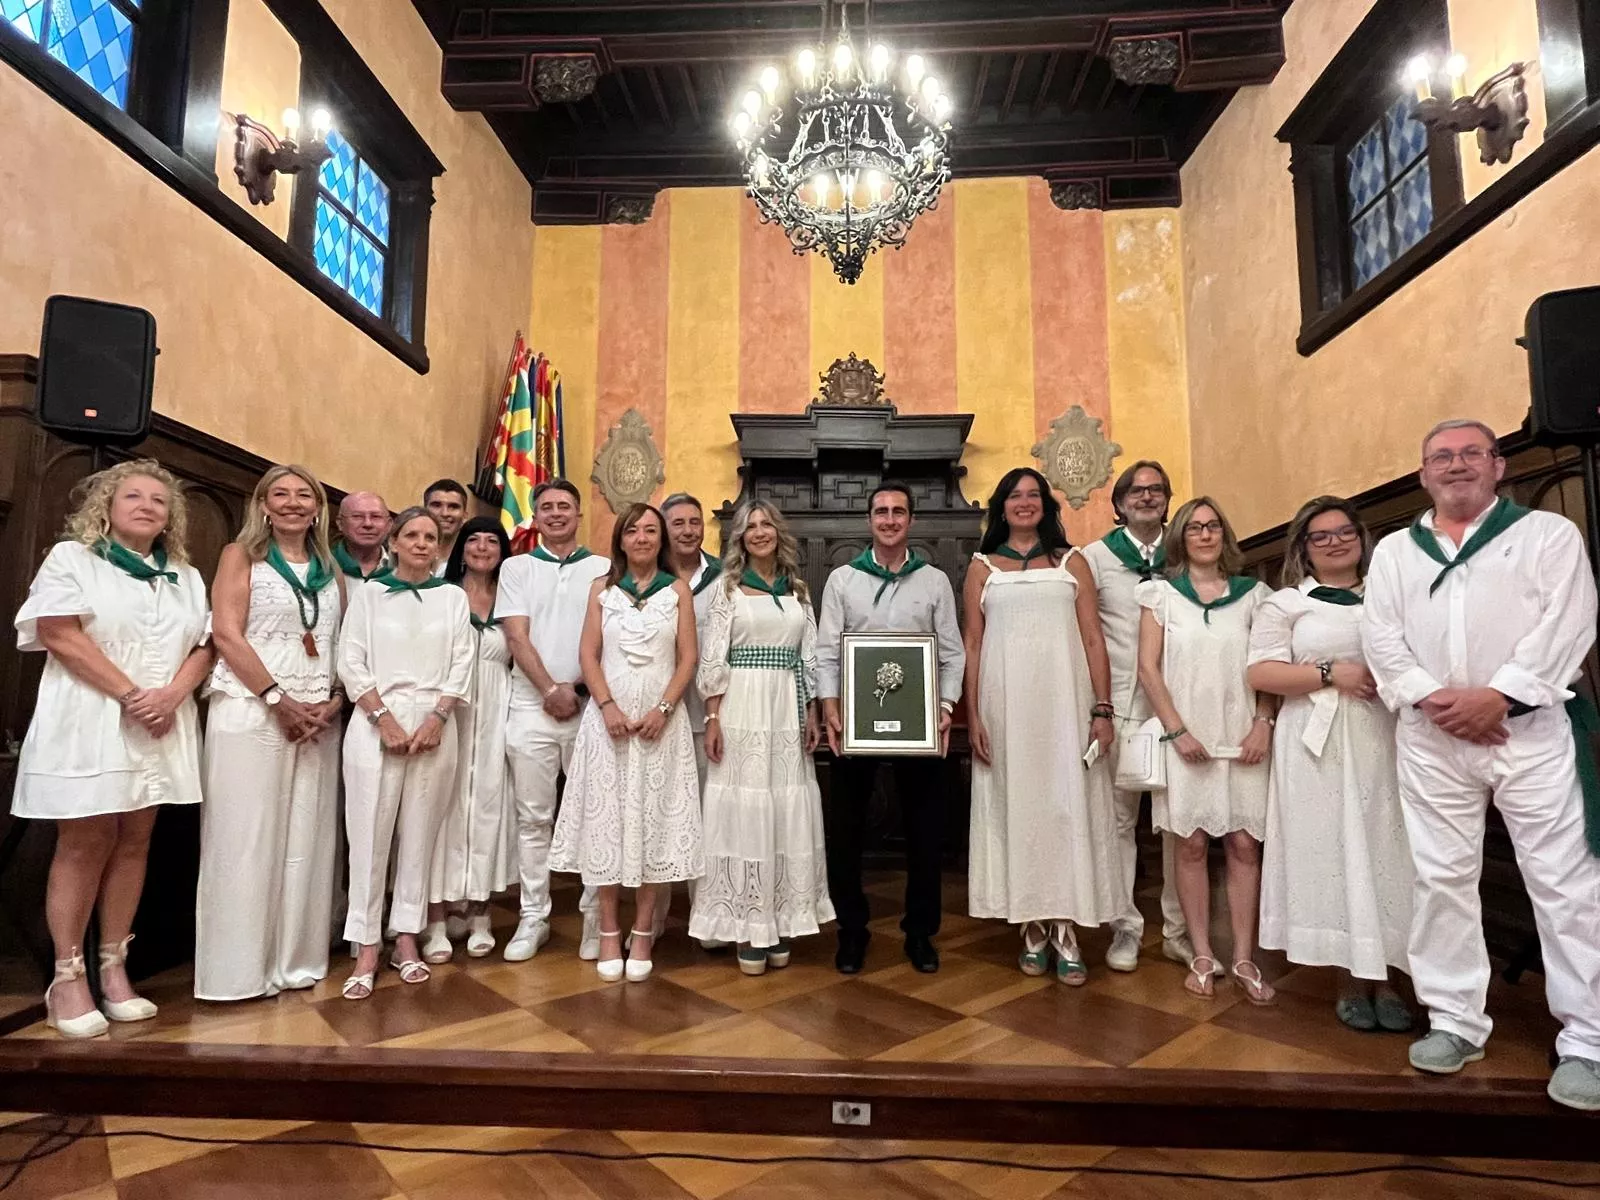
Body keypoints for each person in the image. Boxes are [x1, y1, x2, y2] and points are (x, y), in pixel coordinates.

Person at [1362, 418, 1600, 1110]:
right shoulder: (1395, 553)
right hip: (1433, 738)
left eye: (1472, 452)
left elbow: (1569, 622)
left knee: (1564, 884)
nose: (1457, 464)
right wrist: (1435, 700)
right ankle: (1455, 1021)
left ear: (1499, 465)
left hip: (1528, 735)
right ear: (1423, 473)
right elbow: (1381, 638)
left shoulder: (1547, 535)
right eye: (1441, 456)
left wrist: (1500, 696)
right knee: (1441, 878)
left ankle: (1587, 1041)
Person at [14, 461, 211, 1038]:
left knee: (135, 839)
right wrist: (130, 694)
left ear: (170, 516)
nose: (147, 505)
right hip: (92, 716)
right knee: (85, 840)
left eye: (158, 500)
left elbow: (206, 644)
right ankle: (67, 976)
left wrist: (171, 694)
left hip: (161, 718)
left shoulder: (184, 575)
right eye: (133, 496)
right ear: (107, 505)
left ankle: (113, 965)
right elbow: (59, 632)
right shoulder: (74, 559)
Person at [1247, 497, 1413, 1031]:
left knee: (1387, 849)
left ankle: (1389, 977)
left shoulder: (1390, 595)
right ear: (1304, 547)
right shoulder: (1287, 604)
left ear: (1362, 538)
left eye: (1344, 532)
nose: (1335, 542)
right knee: (1332, 849)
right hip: (1314, 740)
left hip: (1383, 734)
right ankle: (1348, 977)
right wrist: (1328, 673)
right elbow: (1261, 673)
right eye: (1321, 536)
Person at [964, 468, 1123, 982]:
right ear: (1001, 506)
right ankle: (1031, 924)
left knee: (1064, 807)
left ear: (1046, 506)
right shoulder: (982, 568)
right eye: (1015, 496)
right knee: (1019, 808)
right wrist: (974, 714)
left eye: (1033, 495)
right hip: (1006, 707)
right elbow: (972, 644)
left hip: (1065, 704)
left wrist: (1103, 709)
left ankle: (1066, 925)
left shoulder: (1072, 562)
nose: (1025, 503)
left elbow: (1093, 637)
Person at [197, 465, 345, 1002]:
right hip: (252, 707)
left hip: (317, 717)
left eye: (304, 495)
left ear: (318, 508)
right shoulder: (241, 556)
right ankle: (237, 973)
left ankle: (295, 960)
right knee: (246, 837)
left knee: (307, 837)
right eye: (280, 493)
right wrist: (276, 698)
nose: (292, 502)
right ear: (262, 504)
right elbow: (225, 633)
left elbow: (341, 643)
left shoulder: (332, 569)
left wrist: (334, 699)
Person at [550, 503, 703, 982]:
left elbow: (688, 657)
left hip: (661, 726)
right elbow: (588, 653)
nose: (641, 538)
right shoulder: (602, 589)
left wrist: (663, 709)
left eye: (650, 530)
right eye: (632, 530)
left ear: (661, 540)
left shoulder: (677, 591)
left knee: (653, 822)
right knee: (607, 825)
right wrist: (607, 706)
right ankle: (608, 929)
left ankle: (642, 931)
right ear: (620, 539)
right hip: (608, 724)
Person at [817, 481, 965, 975]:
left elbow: (952, 652)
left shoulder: (934, 581)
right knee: (846, 831)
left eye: (898, 511)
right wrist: (831, 709)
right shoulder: (842, 580)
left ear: (911, 520)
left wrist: (944, 707)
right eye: (881, 511)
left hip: (919, 725)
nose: (889, 519)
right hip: (855, 723)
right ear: (869, 520)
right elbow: (827, 651)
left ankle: (920, 933)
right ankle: (851, 931)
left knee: (925, 833)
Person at [1136, 497, 1276, 1004]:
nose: (1204, 534)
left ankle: (1243, 957)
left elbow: (1267, 664)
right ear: (1180, 537)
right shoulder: (1160, 597)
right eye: (1194, 527)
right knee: (1191, 845)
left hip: (1243, 739)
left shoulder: (1255, 596)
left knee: (1244, 845)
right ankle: (1199, 953)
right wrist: (1177, 732)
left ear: (1224, 534)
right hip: (1186, 739)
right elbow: (1148, 669)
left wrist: (1263, 723)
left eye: (1213, 525)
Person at [689, 500, 835, 974]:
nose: (759, 532)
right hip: (742, 705)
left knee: (784, 807)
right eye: (749, 526)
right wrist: (713, 717)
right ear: (739, 538)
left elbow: (809, 655)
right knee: (745, 807)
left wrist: (811, 711)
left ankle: (782, 918)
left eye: (766, 524)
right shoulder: (727, 589)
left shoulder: (797, 590)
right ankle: (747, 924)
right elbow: (713, 657)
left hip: (787, 707)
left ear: (778, 532)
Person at [337, 507, 474, 999]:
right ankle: (367, 945)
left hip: (435, 726)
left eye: (430, 537)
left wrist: (438, 718)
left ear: (438, 547)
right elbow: (350, 659)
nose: (421, 543)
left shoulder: (453, 598)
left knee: (419, 837)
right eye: (411, 535)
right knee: (368, 839)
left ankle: (408, 939)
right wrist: (383, 719)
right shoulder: (370, 595)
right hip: (376, 723)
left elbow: (463, 660)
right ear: (393, 543)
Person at [1082, 460, 1191, 971]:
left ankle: (1179, 930)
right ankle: (1124, 927)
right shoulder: (1096, 558)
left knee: (1178, 822)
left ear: (1167, 500)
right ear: (1120, 502)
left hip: (1179, 705)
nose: (1147, 497)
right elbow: (1087, 635)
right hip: (1123, 706)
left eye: (1156, 490)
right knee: (1119, 822)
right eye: (1136, 491)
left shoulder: (1187, 550)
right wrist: (1098, 706)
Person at [495, 480, 610, 961]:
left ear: (579, 515)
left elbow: (609, 638)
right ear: (536, 517)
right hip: (530, 706)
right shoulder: (516, 567)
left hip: (591, 707)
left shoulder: (603, 568)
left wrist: (577, 691)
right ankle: (533, 916)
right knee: (533, 817)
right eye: (547, 507)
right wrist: (549, 690)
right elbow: (516, 636)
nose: (556, 513)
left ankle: (595, 917)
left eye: (565, 506)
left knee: (593, 814)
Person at [423, 516, 517, 962]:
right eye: (473, 539)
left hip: (497, 709)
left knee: (489, 807)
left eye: (491, 541)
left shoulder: (512, 597)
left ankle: (480, 910)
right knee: (444, 807)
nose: (482, 547)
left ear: (503, 550)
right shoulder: (441, 594)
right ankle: (437, 917)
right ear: (461, 547)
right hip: (450, 710)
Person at [662, 491, 729, 948]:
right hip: (659, 716)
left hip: (708, 716)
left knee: (707, 817)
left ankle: (707, 916)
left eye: (694, 522)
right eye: (678, 523)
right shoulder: (647, 576)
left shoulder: (726, 577)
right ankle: (655, 914)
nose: (688, 530)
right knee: (662, 814)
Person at [332, 491, 391, 580]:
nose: (368, 524)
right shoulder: (319, 566)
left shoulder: (403, 572)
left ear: (389, 525)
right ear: (340, 523)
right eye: (357, 516)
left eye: (376, 516)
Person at [423, 478, 469, 577]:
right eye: (436, 505)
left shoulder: (471, 563)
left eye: (453, 507)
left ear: (465, 516)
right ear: (424, 512)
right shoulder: (406, 555)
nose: (444, 513)